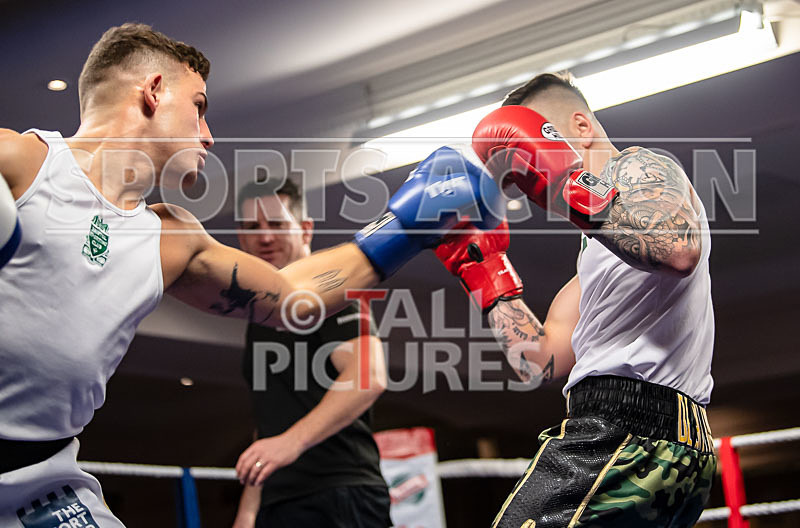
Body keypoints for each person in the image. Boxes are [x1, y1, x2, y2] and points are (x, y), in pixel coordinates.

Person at [0, 23, 503, 526]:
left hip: (43, 484)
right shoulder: (23, 162)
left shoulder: (169, 237)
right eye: (198, 106)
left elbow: (292, 297)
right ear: (153, 92)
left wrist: (408, 226)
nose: (208, 134)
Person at [435, 72, 716, 528]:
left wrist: (569, 181)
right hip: (658, 441)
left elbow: (677, 249)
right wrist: (482, 269)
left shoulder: (640, 166)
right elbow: (541, 361)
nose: (527, 173)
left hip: (626, 430)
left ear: (581, 128)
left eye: (536, 145)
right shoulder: (596, 259)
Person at [232, 179, 391, 528]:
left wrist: (291, 442)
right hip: (281, 500)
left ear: (305, 230)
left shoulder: (329, 288)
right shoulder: (262, 312)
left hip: (339, 492)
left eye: (276, 224)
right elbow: (272, 423)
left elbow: (368, 376)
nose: (264, 237)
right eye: (252, 227)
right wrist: (248, 512)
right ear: (240, 238)